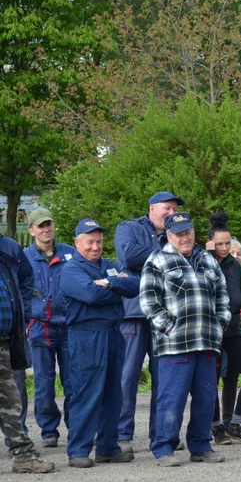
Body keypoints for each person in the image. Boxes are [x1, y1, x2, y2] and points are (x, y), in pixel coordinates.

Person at [139, 211, 231, 466]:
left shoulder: (208, 260)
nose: (185, 237)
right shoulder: (157, 260)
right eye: (179, 234)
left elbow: (222, 296)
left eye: (188, 232)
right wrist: (169, 328)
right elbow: (148, 302)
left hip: (207, 342)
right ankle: (164, 448)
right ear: (168, 236)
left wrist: (219, 323)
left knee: (206, 398)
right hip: (175, 346)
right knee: (172, 399)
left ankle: (201, 446)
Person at [59, 219, 141, 467]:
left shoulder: (108, 266)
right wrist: (115, 288)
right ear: (77, 243)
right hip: (86, 336)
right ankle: (79, 451)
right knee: (87, 393)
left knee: (113, 393)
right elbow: (90, 295)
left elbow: (134, 285)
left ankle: (107, 447)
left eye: (99, 241)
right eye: (90, 242)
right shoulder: (71, 269)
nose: (95, 247)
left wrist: (108, 282)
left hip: (113, 334)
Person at [114, 191, 176, 453]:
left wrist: (151, 257)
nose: (171, 214)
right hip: (134, 313)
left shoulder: (175, 233)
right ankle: (121, 435)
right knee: (127, 376)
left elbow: (182, 259)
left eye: (174, 210)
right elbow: (128, 257)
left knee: (164, 378)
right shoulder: (128, 228)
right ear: (152, 209)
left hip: (164, 314)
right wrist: (167, 251)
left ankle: (160, 435)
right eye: (167, 208)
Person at [206, 213, 241, 445]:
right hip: (211, 331)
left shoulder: (234, 265)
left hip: (233, 329)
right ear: (210, 242)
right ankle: (216, 428)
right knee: (209, 380)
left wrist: (240, 302)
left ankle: (235, 424)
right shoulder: (202, 261)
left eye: (227, 243)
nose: (223, 248)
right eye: (218, 244)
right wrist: (209, 254)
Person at [0, 224, 53, 474]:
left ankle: (22, 455)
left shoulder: (8, 247)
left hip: (4, 339)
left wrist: (21, 306)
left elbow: (26, 276)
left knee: (10, 400)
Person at [23, 208, 75, 447]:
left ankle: (76, 427)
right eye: (40, 226)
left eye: (49, 225)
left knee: (73, 381)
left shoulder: (71, 254)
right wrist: (27, 320)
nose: (46, 229)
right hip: (40, 328)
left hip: (69, 327)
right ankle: (48, 431)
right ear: (32, 230)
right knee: (43, 382)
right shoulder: (24, 258)